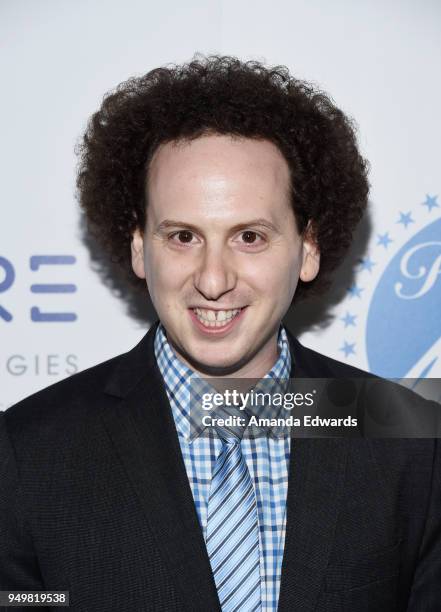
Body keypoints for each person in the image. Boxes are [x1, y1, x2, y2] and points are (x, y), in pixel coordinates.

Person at [0, 55, 440, 611]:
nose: (213, 280)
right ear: (139, 246)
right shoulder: (28, 451)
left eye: (250, 237)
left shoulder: (409, 441)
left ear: (308, 248)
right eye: (183, 236)